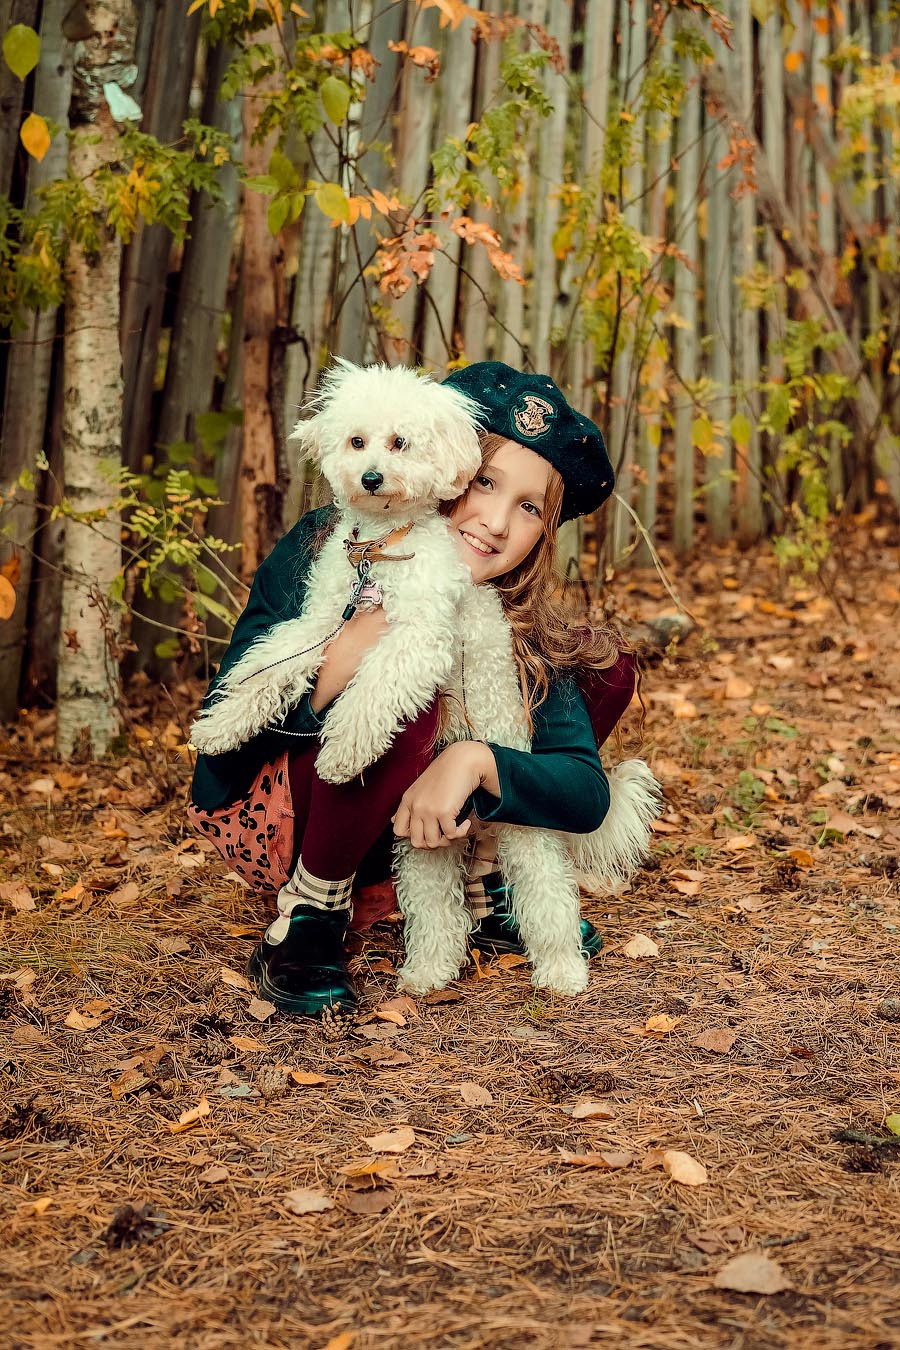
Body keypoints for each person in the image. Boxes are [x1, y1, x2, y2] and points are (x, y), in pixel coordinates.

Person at [188, 363, 637, 1016]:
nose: (495, 521)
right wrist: (352, 646)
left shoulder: (512, 613)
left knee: (602, 664)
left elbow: (584, 792)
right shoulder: (325, 548)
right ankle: (310, 915)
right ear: (444, 465)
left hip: (416, 825)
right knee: (408, 685)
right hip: (287, 811)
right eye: (485, 482)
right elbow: (221, 746)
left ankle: (487, 881)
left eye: (529, 507)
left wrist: (473, 760)